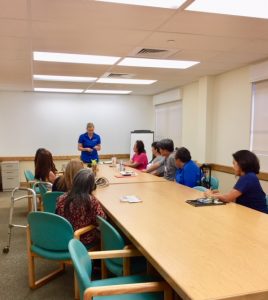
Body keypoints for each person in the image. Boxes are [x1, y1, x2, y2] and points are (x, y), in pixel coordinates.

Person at [56, 168, 106, 247]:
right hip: (83, 240)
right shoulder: (91, 201)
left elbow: (58, 217)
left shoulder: (61, 198)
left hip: (64, 236)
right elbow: (102, 220)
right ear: (91, 186)